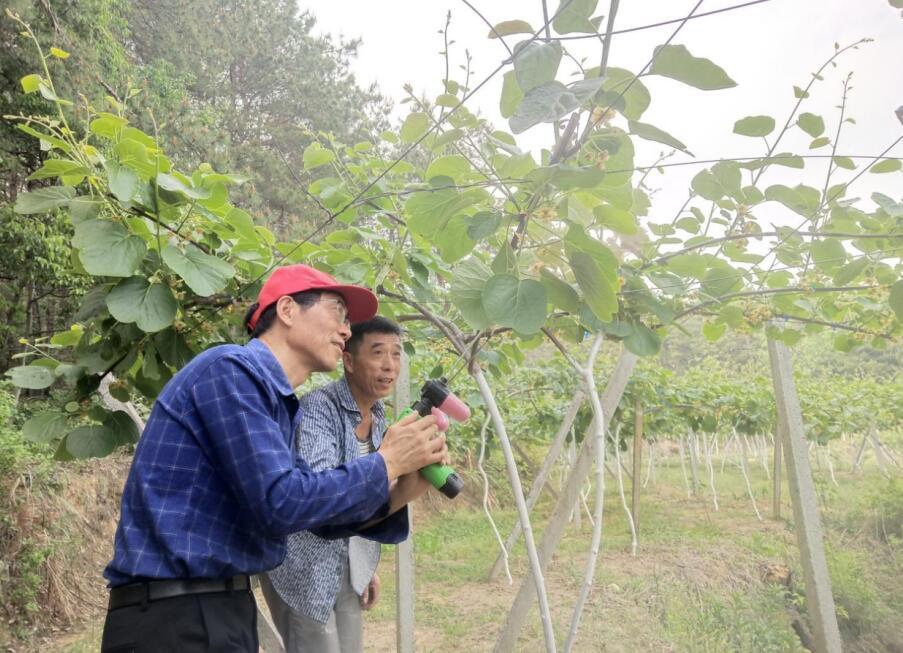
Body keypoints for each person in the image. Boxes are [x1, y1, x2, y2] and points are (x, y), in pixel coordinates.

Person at [100, 264, 446, 653]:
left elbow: (315, 519)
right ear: (287, 310)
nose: (346, 330)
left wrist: (402, 487)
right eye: (337, 311)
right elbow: (281, 502)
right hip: (174, 616)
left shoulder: (276, 405)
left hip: (219, 606)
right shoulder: (230, 371)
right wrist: (386, 463)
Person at [261, 316, 424, 652]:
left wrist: (363, 565)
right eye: (378, 353)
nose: (389, 366)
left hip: (344, 565)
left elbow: (365, 497)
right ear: (348, 360)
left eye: (396, 354)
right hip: (301, 568)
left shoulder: (378, 418)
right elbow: (323, 497)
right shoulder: (318, 409)